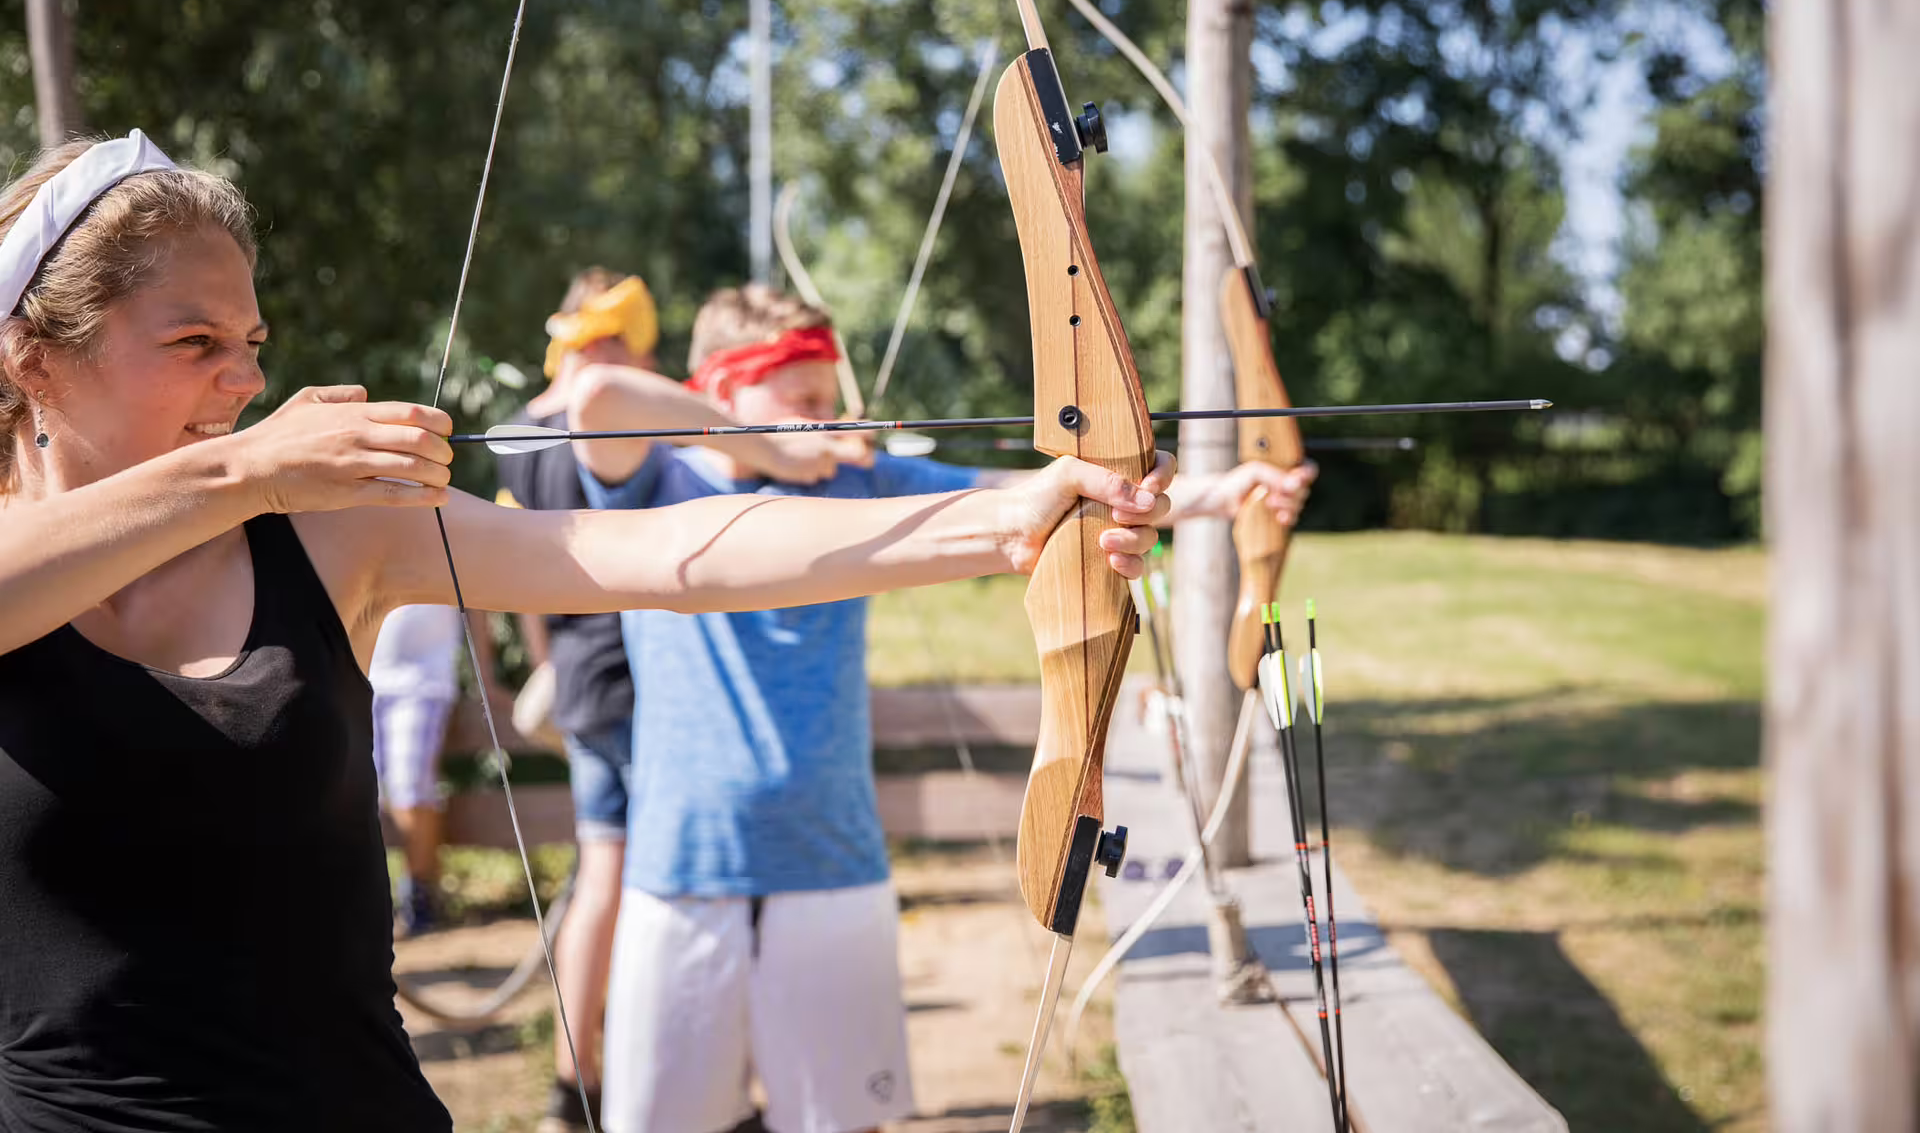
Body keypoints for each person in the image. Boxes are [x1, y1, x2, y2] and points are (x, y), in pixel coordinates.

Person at [0, 132, 1170, 1133]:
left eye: (251, 344)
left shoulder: (324, 531)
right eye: (195, 344)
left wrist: (1007, 519)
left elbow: (656, 556)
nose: (243, 381)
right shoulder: (228, 490)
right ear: (33, 356)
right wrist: (242, 470)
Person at [575, 286, 1315, 1133]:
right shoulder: (655, 481)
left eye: (831, 398)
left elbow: (1039, 496)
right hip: (679, 872)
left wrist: (1227, 495)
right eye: (803, 398)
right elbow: (600, 397)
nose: (829, 417)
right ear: (724, 384)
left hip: (831, 862)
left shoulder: (861, 481)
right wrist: (759, 445)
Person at [495, 267, 865, 1133]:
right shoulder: (600, 423)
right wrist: (774, 448)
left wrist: (546, 661)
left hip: (592, 673)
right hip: (635, 676)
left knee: (609, 876)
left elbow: (525, 576)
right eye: (623, 337)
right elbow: (606, 414)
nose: (632, 352)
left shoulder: (521, 433)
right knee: (652, 885)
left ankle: (576, 1085)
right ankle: (660, 1083)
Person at [368, 602, 491, 937]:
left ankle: (418, 898)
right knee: (360, 796)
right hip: (364, 675)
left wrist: (486, 679)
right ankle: (372, 901)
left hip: (423, 681)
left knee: (411, 791)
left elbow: (475, 607)